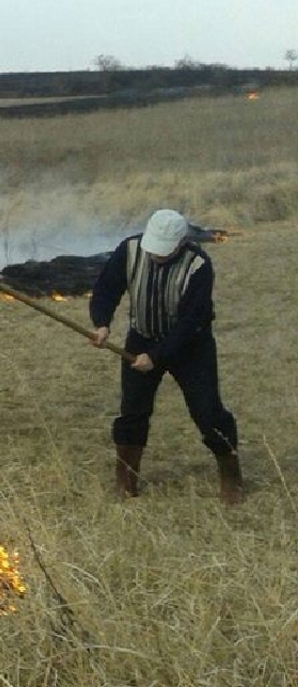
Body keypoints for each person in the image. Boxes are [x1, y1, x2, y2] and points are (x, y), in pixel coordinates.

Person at [88, 209, 243, 504]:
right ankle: (126, 480)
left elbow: (190, 323)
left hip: (190, 347)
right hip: (141, 337)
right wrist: (102, 323)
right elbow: (106, 290)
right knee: (132, 411)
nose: (156, 256)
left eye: (163, 252)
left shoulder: (199, 265)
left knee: (208, 412)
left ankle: (231, 476)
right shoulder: (130, 250)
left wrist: (156, 357)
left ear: (180, 243)